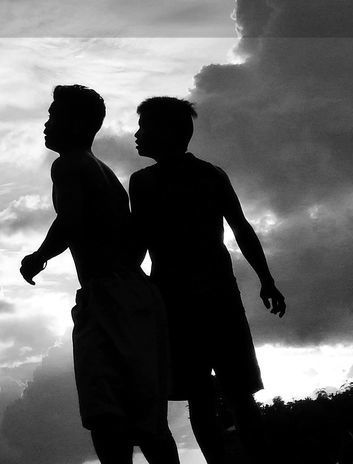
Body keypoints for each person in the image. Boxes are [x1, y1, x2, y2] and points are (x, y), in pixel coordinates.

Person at [19, 85, 179, 464]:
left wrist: (39, 256)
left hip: (110, 294)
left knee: (107, 413)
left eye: (54, 114)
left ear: (77, 123)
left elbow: (71, 219)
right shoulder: (99, 169)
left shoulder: (70, 164)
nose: (46, 123)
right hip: (132, 294)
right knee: (145, 417)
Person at [129, 96, 287, 463]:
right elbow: (240, 229)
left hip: (189, 300)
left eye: (145, 127)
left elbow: (240, 228)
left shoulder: (156, 181)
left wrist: (267, 278)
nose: (137, 135)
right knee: (226, 395)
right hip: (204, 297)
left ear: (168, 133)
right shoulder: (204, 175)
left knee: (209, 396)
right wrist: (266, 279)